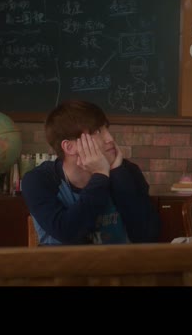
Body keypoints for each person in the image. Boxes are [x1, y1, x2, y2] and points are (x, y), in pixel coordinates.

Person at [22, 100, 160, 245]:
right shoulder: (38, 180)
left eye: (106, 128)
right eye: (97, 132)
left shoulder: (127, 171)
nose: (110, 138)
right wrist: (100, 175)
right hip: (63, 260)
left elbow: (147, 236)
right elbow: (68, 233)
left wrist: (118, 175)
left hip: (118, 260)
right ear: (69, 147)